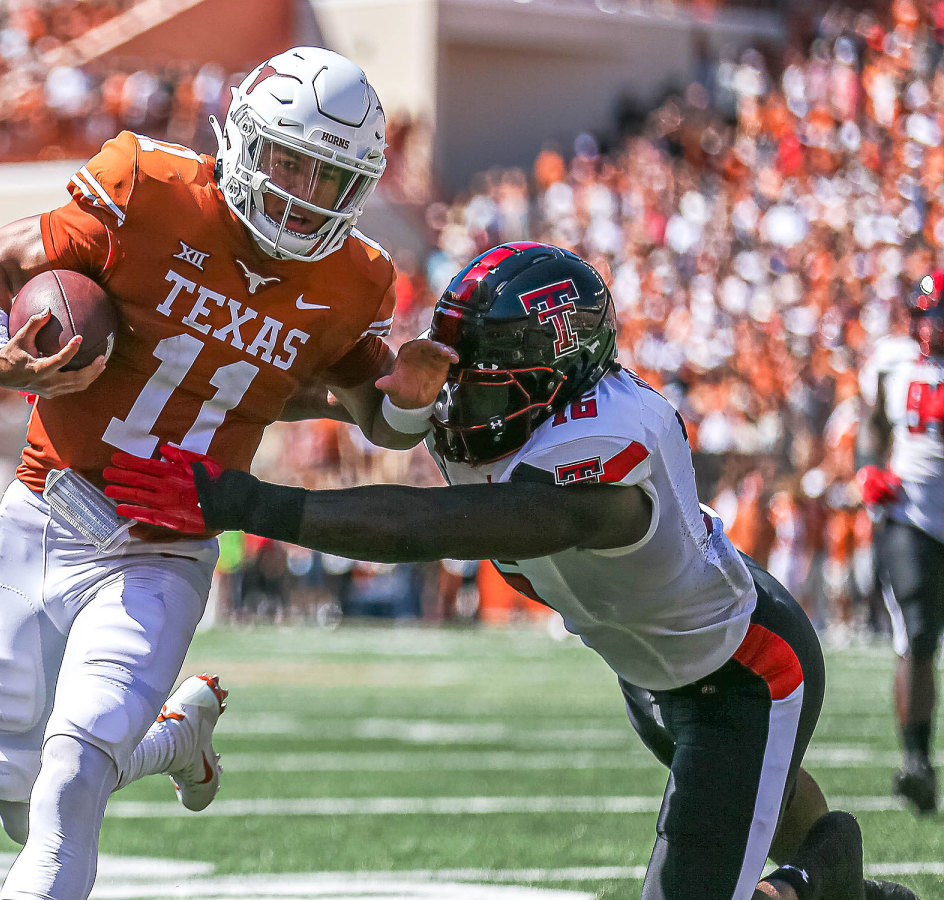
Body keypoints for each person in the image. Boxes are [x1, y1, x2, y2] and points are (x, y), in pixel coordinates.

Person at [104, 242, 918, 900]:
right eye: (457, 378)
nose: (458, 405)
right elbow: (306, 388)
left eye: (483, 388)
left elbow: (440, 525)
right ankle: (841, 879)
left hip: (741, 673)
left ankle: (816, 880)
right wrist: (142, 376)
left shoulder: (604, 454)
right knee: (760, 802)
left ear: (556, 383)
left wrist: (241, 500)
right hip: (649, 669)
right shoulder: (504, 405)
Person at [0, 46, 454, 900]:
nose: (302, 193)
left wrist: (409, 402)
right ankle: (176, 739)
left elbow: (373, 415)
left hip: (166, 544)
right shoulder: (147, 190)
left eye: (328, 175)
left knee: (73, 772)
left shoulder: (352, 279)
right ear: (245, 140)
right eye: (287, 161)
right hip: (47, 505)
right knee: (15, 790)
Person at [856, 269, 944, 815]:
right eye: (926, 315)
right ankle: (916, 762)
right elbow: (872, 423)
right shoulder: (891, 361)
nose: (932, 327)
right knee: (917, 633)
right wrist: (868, 466)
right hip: (909, 515)